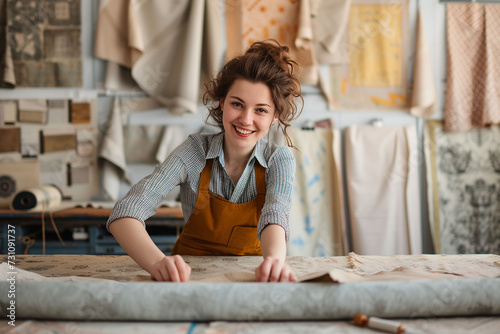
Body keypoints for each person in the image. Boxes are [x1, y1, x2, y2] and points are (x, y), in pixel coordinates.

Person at [107, 39, 303, 282]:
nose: (245, 119)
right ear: (222, 103)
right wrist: (157, 263)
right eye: (237, 104)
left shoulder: (278, 159)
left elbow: (276, 213)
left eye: (261, 110)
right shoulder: (194, 151)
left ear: (275, 116)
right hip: (189, 279)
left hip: (252, 277)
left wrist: (274, 262)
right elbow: (125, 213)